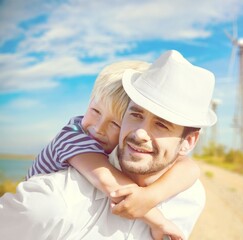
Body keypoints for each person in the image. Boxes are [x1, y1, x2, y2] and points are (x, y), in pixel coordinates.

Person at [0, 50, 217, 240]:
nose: (98, 129)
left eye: (161, 124)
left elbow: (190, 168)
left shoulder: (191, 198)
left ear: (188, 142)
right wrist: (155, 218)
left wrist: (153, 196)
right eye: (136, 115)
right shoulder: (55, 196)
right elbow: (110, 182)